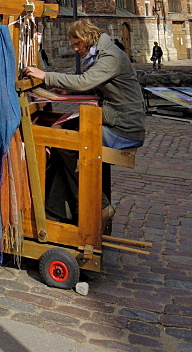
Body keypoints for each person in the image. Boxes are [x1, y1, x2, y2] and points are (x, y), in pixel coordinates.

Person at [25, 20, 145, 223]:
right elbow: (96, 84)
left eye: (77, 44)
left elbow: (85, 81)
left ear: (88, 38)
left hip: (123, 127)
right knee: (62, 138)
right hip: (115, 119)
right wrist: (67, 89)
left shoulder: (111, 57)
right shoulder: (104, 53)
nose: (75, 49)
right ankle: (58, 211)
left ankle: (98, 206)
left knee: (66, 145)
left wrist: (45, 76)